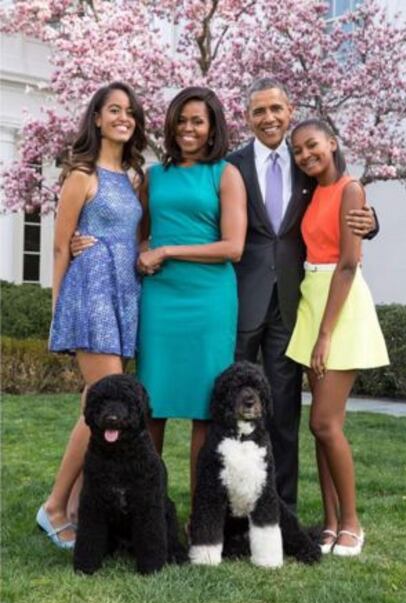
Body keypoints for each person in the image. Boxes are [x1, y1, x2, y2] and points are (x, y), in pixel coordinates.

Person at [227, 77, 379, 513]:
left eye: (276, 109)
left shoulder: (306, 160)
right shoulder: (232, 165)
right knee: (231, 405)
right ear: (248, 117)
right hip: (243, 299)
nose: (269, 118)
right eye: (259, 111)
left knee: (284, 412)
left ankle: (282, 510)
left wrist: (371, 220)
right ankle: (232, 506)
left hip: (295, 307)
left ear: (289, 111)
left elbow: (343, 200)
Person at [36, 82, 146, 548]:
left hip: (125, 291)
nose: (123, 117)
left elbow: (135, 235)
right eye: (113, 110)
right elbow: (62, 245)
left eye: (130, 111)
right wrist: (59, 307)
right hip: (91, 291)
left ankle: (79, 506)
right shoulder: (81, 173)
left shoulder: (136, 177)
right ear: (97, 118)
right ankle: (56, 506)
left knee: (94, 403)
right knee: (103, 400)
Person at [136, 86, 247, 502]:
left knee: (206, 408)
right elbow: (137, 234)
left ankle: (202, 516)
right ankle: (147, 510)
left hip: (209, 300)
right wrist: (141, 253)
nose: (188, 128)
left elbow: (233, 247)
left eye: (197, 121)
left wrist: (168, 249)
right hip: (160, 300)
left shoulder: (226, 174)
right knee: (151, 405)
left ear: (212, 125)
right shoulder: (154, 176)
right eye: (181, 120)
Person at [286, 118, 389, 555]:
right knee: (323, 427)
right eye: (298, 151)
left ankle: (351, 522)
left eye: (313, 146)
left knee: (323, 422)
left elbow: (348, 263)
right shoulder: (312, 191)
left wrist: (325, 334)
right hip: (312, 298)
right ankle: (329, 524)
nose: (306, 155)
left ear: (333, 141)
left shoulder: (351, 188)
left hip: (339, 305)